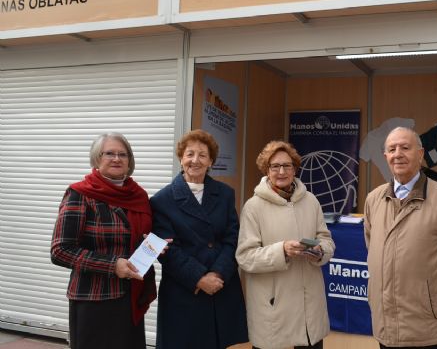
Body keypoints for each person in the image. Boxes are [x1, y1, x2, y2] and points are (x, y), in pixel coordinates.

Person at [364, 127, 437, 349]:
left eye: (405, 147)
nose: (398, 153)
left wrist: (435, 289)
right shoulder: (373, 199)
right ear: (385, 156)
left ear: (420, 154)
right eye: (392, 149)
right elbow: (373, 245)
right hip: (385, 325)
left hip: (426, 328)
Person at [51, 132, 157, 349]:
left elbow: (139, 236)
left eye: (123, 154)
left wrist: (153, 247)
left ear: (130, 161)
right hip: (94, 300)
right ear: (97, 158)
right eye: (109, 153)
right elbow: (60, 250)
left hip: (130, 297)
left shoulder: (138, 195)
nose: (117, 159)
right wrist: (112, 265)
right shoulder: (80, 194)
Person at [150, 129, 248, 349]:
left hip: (220, 286)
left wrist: (217, 273)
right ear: (181, 158)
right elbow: (167, 250)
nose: (195, 160)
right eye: (189, 154)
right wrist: (199, 278)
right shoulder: (162, 200)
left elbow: (233, 237)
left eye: (202, 155)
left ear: (211, 161)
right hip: (185, 290)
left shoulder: (224, 194)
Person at [236, 140, 335, 349]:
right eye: (275, 166)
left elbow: (326, 240)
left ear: (295, 169)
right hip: (275, 310)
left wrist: (320, 251)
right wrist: (281, 251)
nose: (281, 171)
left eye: (287, 165)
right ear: (267, 170)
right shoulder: (253, 207)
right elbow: (245, 257)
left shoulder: (311, 201)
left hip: (309, 313)